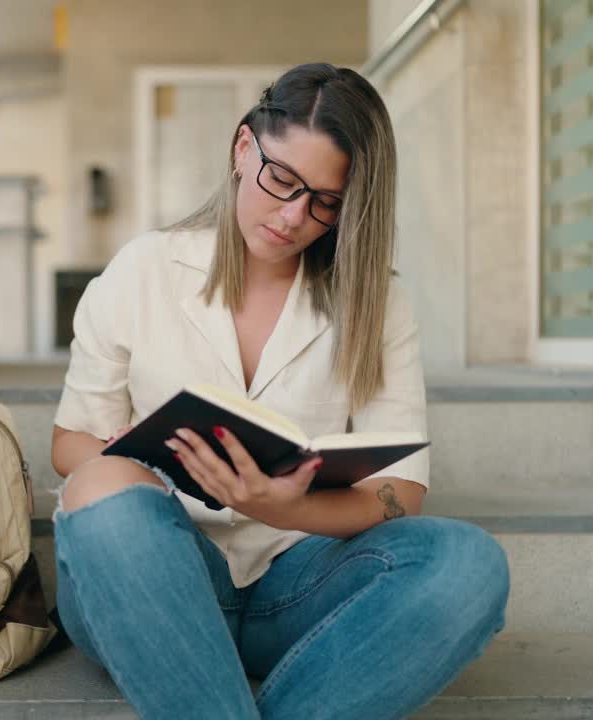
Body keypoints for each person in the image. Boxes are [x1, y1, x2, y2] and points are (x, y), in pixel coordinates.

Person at [48, 63, 509, 720]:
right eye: (283, 180)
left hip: (296, 584)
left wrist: (280, 508)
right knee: (101, 489)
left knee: (469, 565)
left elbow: (401, 493)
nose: (294, 216)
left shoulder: (376, 302)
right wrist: (144, 464)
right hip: (154, 580)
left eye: (325, 201)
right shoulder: (142, 270)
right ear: (244, 148)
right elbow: (70, 443)